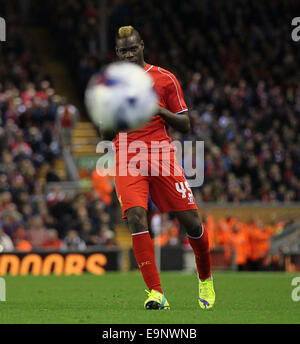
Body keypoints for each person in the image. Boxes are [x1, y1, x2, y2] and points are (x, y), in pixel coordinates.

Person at [101, 26, 215, 310]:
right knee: (137, 217)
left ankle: (205, 279)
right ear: (117, 53)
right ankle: (156, 293)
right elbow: (105, 132)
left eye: (132, 48)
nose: (128, 54)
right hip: (128, 155)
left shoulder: (165, 79)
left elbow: (185, 124)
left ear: (142, 46)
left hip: (161, 153)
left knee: (192, 223)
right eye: (123, 50)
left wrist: (159, 110)